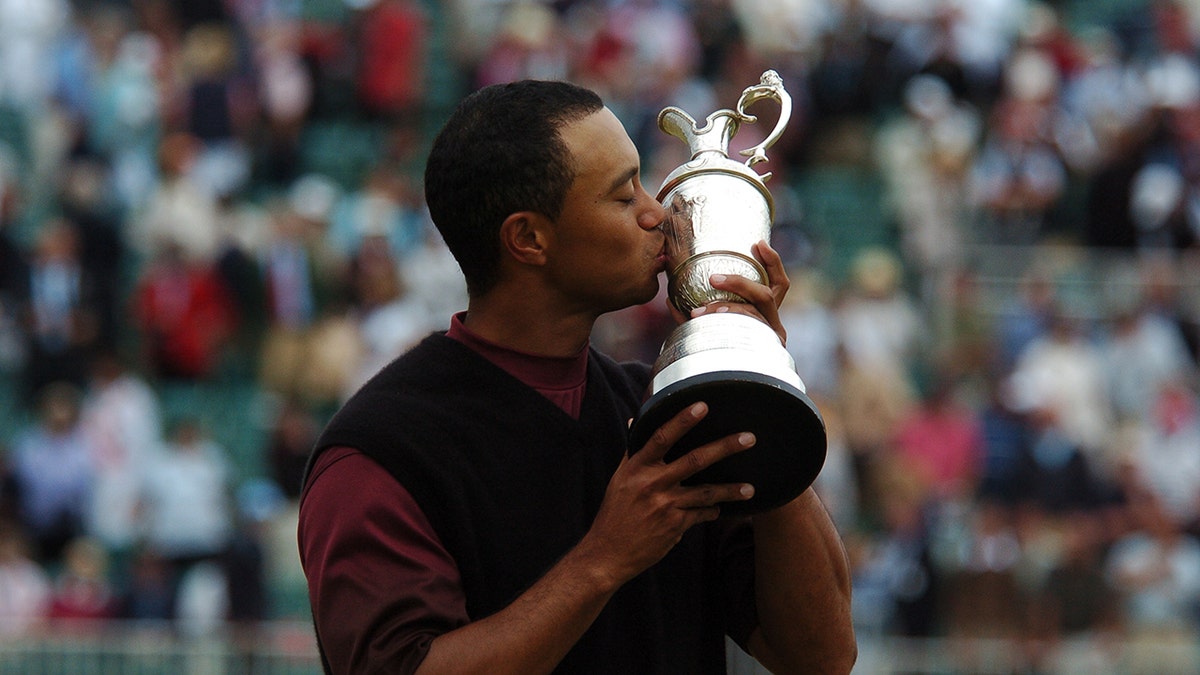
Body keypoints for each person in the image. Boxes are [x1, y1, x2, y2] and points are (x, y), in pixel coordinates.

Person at [298, 79, 856, 674]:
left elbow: (820, 656)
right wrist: (603, 559)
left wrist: (750, 378)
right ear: (529, 238)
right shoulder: (379, 450)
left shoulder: (668, 409)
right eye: (623, 197)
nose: (657, 213)